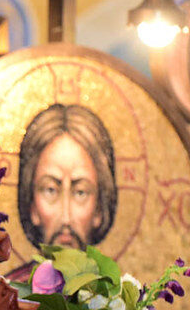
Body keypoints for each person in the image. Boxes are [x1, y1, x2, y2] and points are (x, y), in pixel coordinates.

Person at [17, 103, 117, 250]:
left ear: (99, 209)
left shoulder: (120, 274)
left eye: (80, 193)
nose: (66, 218)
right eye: (50, 190)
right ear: (32, 207)